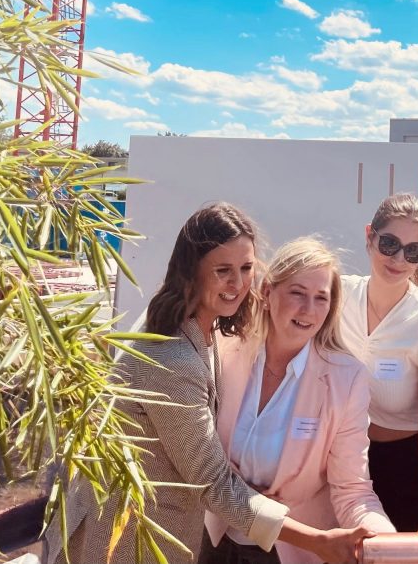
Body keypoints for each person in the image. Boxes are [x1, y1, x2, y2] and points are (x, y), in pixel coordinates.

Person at [45, 203, 371, 564]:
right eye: (222, 271)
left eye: (246, 268)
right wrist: (318, 541)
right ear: (192, 271)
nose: (238, 284)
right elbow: (213, 484)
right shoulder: (173, 359)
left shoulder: (204, 332)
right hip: (125, 539)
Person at [202, 237, 395, 564]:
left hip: (293, 550)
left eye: (321, 298)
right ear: (267, 293)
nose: (308, 310)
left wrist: (386, 543)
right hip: (216, 539)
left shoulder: (346, 380)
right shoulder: (222, 349)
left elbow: (352, 490)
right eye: (297, 293)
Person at [338, 193, 418, 533]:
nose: (398, 258)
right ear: (370, 236)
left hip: (406, 469)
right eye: (390, 244)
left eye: (413, 251)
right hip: (341, 460)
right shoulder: (336, 296)